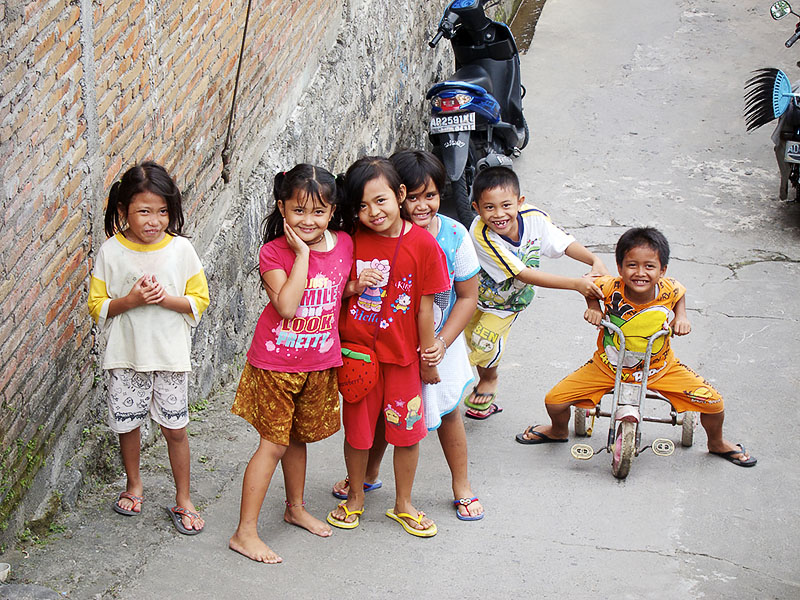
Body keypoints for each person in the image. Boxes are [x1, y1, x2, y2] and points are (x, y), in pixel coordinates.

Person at [516, 227, 757, 467]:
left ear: (662, 270)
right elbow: (588, 284)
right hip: (607, 366)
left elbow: (679, 294)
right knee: (554, 401)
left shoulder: (669, 289)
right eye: (631, 265)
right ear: (619, 268)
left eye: (650, 266)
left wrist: (681, 316)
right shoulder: (610, 287)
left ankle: (716, 442)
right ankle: (558, 431)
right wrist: (594, 307)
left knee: (714, 404)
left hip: (660, 367)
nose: (640, 273)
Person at [331, 150, 484, 520]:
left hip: (404, 360)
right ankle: (356, 497)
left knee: (408, 432)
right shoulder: (351, 240)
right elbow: (334, 291)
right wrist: (353, 286)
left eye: (381, 200)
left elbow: (424, 307)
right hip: (359, 357)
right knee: (359, 433)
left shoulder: (426, 244)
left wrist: (430, 356)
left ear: (396, 195)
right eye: (363, 205)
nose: (374, 212)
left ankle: (404, 504)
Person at [228, 164, 354, 564]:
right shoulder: (273, 253)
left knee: (297, 437)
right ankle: (244, 532)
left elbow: (336, 288)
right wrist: (301, 253)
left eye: (318, 211)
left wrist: (357, 285)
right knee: (274, 443)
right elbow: (286, 306)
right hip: (276, 365)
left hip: (319, 362)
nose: (309, 220)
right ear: (281, 208)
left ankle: (294, 506)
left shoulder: (345, 244)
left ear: (332, 211)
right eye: (298, 211)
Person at [88, 161, 209, 535]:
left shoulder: (181, 250)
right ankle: (134, 485)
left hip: (170, 357)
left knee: (176, 429)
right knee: (129, 426)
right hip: (126, 356)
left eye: (162, 211)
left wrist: (165, 300)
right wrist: (131, 300)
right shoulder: (111, 252)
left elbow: (199, 300)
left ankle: (184, 498)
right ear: (124, 211)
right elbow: (98, 305)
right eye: (143, 211)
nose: (153, 220)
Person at [463, 166, 609, 418]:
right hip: (473, 297)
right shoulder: (480, 234)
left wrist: (594, 260)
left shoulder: (534, 218)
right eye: (489, 208)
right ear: (476, 208)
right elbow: (521, 273)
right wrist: (576, 284)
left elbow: (563, 243)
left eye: (506, 205)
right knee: (471, 338)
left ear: (520, 202)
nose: (499, 214)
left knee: (484, 340)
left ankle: (489, 380)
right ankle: (480, 373)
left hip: (508, 302)